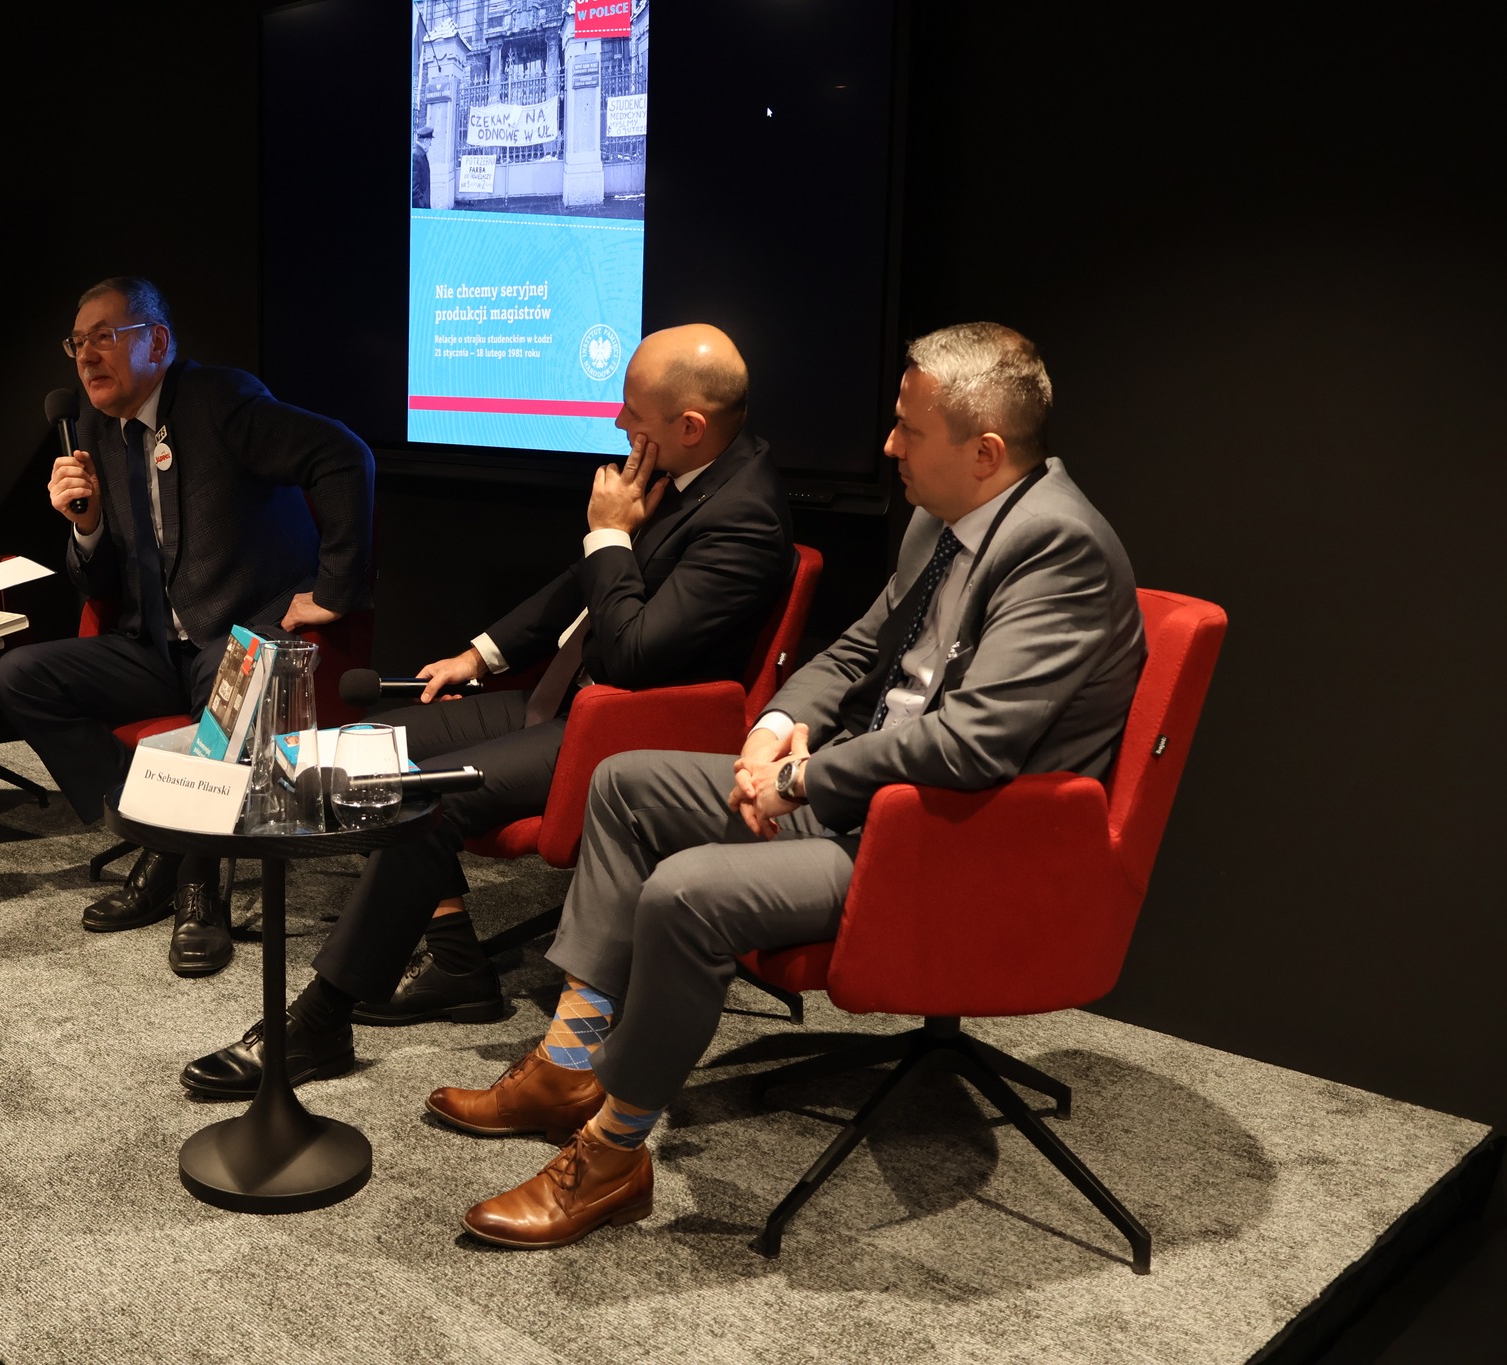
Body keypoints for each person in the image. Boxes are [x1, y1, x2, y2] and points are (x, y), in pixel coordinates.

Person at [427, 322, 1147, 1249]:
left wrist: (804, 779)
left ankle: (612, 1155)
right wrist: (773, 728)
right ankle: (571, 1064)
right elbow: (855, 648)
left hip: (950, 839)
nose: (888, 445)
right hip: (870, 796)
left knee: (685, 893)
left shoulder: (1060, 548)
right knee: (624, 783)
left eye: (909, 429)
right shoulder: (941, 517)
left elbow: (972, 747)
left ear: (986, 452)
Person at [181, 324, 796, 1099]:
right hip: (567, 703)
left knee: (421, 794)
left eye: (633, 412)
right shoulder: (681, 470)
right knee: (367, 746)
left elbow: (635, 651)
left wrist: (610, 533)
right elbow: (584, 582)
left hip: (625, 733)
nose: (618, 423)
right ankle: (457, 963)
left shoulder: (745, 518)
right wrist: (480, 654)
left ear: (692, 426)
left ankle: (318, 1021)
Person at [0, 277, 374, 978]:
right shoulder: (92, 430)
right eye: (77, 343)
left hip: (238, 636)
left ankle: (200, 886)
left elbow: (345, 456)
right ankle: (162, 832)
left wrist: (333, 591)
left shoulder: (220, 400)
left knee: (221, 696)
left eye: (104, 337)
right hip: (152, 644)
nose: (86, 356)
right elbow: (99, 586)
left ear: (157, 341)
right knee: (21, 676)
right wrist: (86, 526)